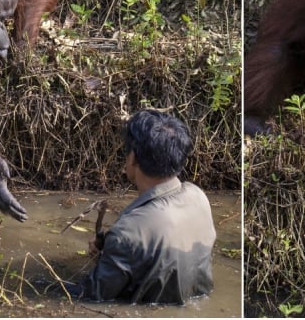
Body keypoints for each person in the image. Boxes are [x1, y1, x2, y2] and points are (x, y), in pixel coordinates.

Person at [68, 109, 216, 304]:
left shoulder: (128, 232)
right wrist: (108, 249)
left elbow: (90, 296)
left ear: (133, 157)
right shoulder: (198, 196)